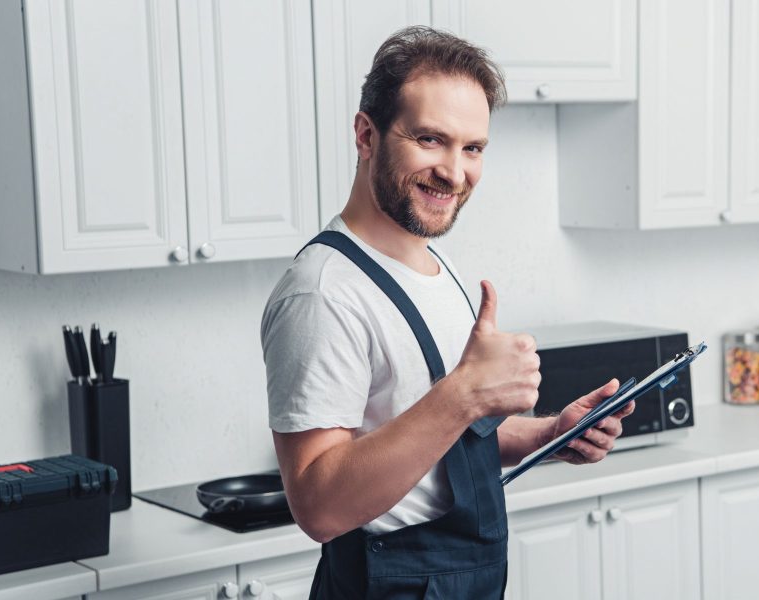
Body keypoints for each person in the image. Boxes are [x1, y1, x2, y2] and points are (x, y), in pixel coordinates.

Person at [260, 26, 635, 598]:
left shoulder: (436, 263)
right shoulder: (323, 293)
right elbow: (319, 506)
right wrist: (465, 393)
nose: (455, 173)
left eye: (473, 148)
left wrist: (550, 434)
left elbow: (449, 437)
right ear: (366, 135)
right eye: (431, 139)